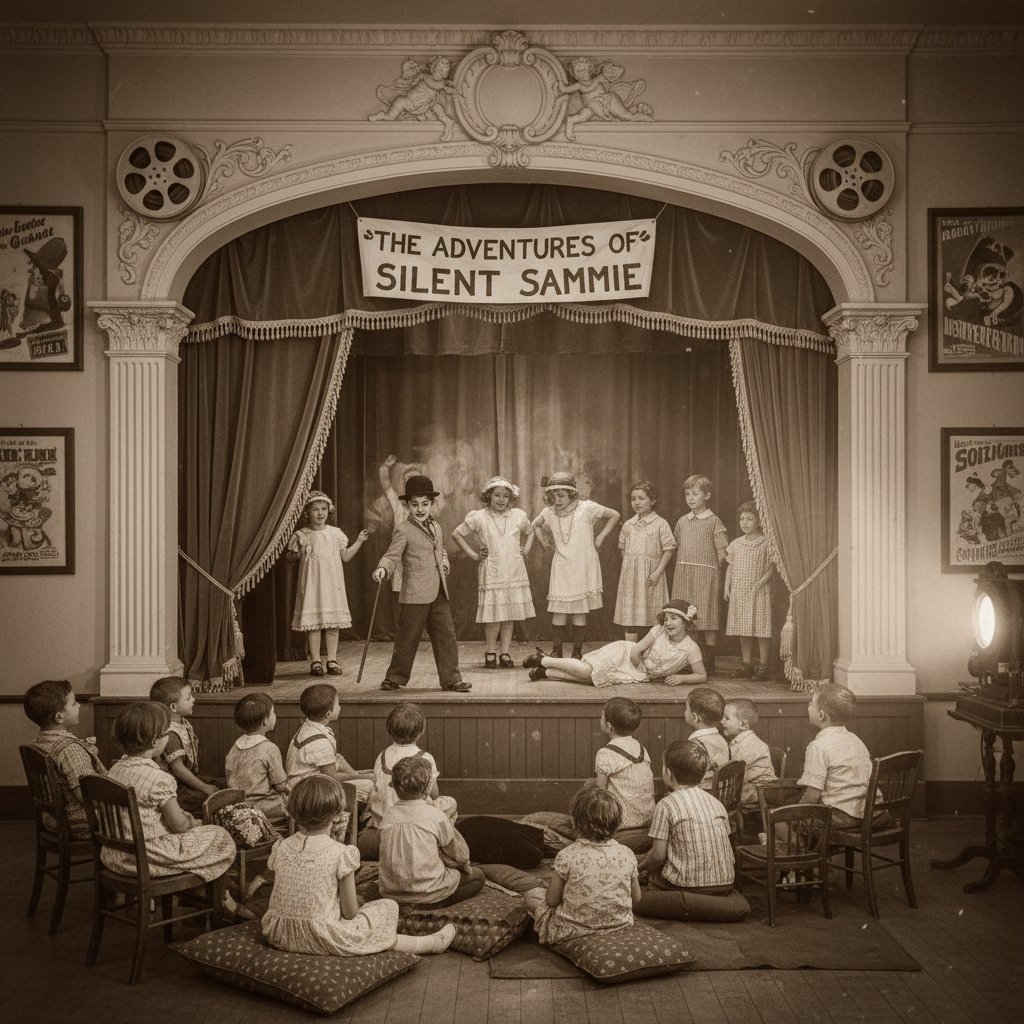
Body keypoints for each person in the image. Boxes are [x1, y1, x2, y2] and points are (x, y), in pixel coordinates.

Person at [262, 775, 455, 957]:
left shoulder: (282, 847)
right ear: (336, 815)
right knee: (387, 906)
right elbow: (350, 913)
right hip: (321, 936)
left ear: (294, 811)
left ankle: (423, 942)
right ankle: (428, 944)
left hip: (278, 933)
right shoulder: (341, 853)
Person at [103, 701, 236, 895]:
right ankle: (214, 897)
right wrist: (193, 821)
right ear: (156, 741)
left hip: (113, 856)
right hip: (146, 859)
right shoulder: (159, 779)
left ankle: (205, 891)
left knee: (200, 837)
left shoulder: (115, 769)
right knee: (220, 835)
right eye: (166, 733)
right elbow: (180, 825)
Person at [372, 474, 471, 692]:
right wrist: (382, 568)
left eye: (425, 504)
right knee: (407, 639)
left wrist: (444, 564)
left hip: (438, 592)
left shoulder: (436, 526)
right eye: (414, 504)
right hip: (415, 593)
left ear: (431, 504)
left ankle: (452, 679)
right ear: (406, 505)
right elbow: (392, 555)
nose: (420, 509)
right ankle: (394, 677)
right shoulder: (403, 529)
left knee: (447, 636)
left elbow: (441, 551)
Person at [636, 740, 748, 922]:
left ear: (668, 773)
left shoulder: (666, 804)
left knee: (646, 883)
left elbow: (657, 856)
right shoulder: (716, 803)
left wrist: (641, 867)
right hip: (724, 885)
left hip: (686, 886)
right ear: (703, 774)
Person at [524, 787, 641, 945]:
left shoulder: (567, 855)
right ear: (617, 823)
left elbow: (551, 901)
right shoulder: (627, 854)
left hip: (572, 930)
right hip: (619, 925)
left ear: (574, 822)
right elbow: (637, 898)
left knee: (532, 895)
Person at [530, 472, 620, 660]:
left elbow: (615, 515)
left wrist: (601, 536)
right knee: (559, 610)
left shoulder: (587, 508)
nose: (557, 500)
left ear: (572, 494)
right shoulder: (549, 512)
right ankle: (556, 651)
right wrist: (543, 540)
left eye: (561, 495)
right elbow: (535, 525)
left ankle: (577, 653)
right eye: (553, 496)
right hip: (562, 566)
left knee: (579, 611)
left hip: (583, 565)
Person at [376, 756, 485, 907]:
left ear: (393, 786)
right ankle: (433, 904)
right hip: (429, 892)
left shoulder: (388, 816)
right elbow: (460, 855)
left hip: (392, 893)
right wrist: (462, 865)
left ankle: (403, 903)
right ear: (428, 788)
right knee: (478, 876)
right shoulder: (436, 815)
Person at [451, 475, 535, 668]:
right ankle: (490, 651)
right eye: (497, 495)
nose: (501, 499)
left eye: (505, 496)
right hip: (493, 571)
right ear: (488, 496)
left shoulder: (518, 516)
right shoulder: (479, 517)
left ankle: (504, 653)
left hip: (513, 570)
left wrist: (526, 549)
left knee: (509, 615)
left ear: (510, 498)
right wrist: (474, 555)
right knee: (494, 616)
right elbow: (456, 534)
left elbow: (530, 532)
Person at [523, 598, 706, 687]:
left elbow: (701, 675)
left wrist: (682, 678)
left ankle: (546, 672)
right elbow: (636, 651)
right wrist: (638, 668)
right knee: (587, 671)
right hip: (627, 656)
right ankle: (545, 659)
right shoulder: (658, 631)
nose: (668, 623)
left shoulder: (691, 648)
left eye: (674, 619)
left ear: (686, 622)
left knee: (592, 680)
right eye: (666, 619)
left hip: (642, 674)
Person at [358, 702, 458, 860]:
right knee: (450, 803)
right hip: (413, 818)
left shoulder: (382, 755)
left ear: (389, 730)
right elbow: (434, 794)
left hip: (381, 822)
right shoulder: (425, 758)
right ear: (421, 731)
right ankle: (439, 845)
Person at [287, 490, 367, 677]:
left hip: (332, 584)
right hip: (312, 584)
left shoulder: (336, 534)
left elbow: (345, 557)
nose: (320, 513)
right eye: (315, 509)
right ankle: (316, 661)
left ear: (328, 512)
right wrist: (297, 553)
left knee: (332, 625)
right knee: (313, 624)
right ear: (308, 512)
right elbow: (290, 558)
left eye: (323, 509)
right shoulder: (302, 535)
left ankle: (332, 660)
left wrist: (359, 541)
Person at [285, 683, 374, 842]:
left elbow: (333, 764)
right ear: (328, 714)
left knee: (339, 759)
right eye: (338, 704)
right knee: (370, 787)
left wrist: (357, 775)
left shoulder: (309, 726)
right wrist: (367, 778)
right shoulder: (320, 742)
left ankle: (361, 777)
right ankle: (360, 832)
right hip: (309, 793)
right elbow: (331, 777)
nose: (340, 706)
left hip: (306, 782)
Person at [23, 678, 106, 839]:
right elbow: (87, 796)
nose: (80, 705)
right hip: (80, 822)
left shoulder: (38, 743)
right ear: (59, 717)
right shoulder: (70, 749)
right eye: (74, 703)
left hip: (51, 819)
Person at [797, 683, 879, 830]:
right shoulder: (855, 740)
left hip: (841, 817)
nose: (808, 705)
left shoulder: (818, 746)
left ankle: (802, 847)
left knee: (779, 821)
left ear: (821, 715)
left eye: (811, 703)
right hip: (870, 814)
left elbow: (812, 795)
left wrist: (793, 813)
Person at [671, 474, 728, 671]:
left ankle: (709, 661)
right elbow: (676, 546)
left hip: (706, 575)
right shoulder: (681, 521)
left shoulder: (714, 521)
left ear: (707, 495)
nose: (690, 498)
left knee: (707, 616)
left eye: (695, 494)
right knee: (686, 616)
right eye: (687, 494)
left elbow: (723, 552)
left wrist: (712, 571)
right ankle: (688, 659)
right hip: (684, 573)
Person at [614, 480, 676, 642]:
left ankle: (653, 653)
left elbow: (669, 549)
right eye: (633, 499)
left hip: (652, 576)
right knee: (631, 616)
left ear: (653, 500)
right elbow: (623, 549)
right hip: (631, 578)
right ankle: (630, 653)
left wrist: (657, 572)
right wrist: (630, 569)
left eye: (641, 498)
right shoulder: (628, 525)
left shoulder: (660, 524)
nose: (637, 502)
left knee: (653, 615)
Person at [592, 697, 655, 853]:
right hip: (647, 820)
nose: (600, 719)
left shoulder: (605, 753)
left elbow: (601, 792)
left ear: (609, 726)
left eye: (602, 716)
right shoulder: (640, 748)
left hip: (622, 825)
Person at [150, 676, 220, 815]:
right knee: (215, 799)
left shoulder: (182, 722)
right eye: (188, 698)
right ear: (173, 707)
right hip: (177, 788)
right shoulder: (169, 733)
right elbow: (178, 769)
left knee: (222, 787)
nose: (193, 700)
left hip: (190, 779)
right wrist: (204, 787)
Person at [724, 501, 773, 681]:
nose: (745, 523)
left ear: (759, 521)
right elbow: (730, 567)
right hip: (739, 591)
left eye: (750, 519)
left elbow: (771, 569)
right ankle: (746, 663)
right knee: (743, 628)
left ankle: (764, 665)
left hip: (759, 591)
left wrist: (759, 584)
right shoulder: (736, 544)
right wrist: (726, 587)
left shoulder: (766, 542)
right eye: (742, 519)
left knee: (761, 628)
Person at [225, 692, 289, 821]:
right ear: (265, 720)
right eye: (273, 713)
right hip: (260, 808)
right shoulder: (269, 748)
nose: (275, 716)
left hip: (236, 806)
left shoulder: (235, 746)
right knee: (298, 801)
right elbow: (281, 785)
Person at [721, 699, 777, 836]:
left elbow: (733, 773)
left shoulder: (749, 746)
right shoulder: (740, 742)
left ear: (744, 725)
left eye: (726, 718)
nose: (721, 721)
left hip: (758, 794)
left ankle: (725, 835)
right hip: (750, 788)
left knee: (719, 798)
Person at [684, 685, 730, 791]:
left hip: (702, 797)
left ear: (695, 717)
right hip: (720, 795)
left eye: (686, 709)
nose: (685, 712)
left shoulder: (695, 745)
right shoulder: (722, 739)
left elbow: (688, 780)